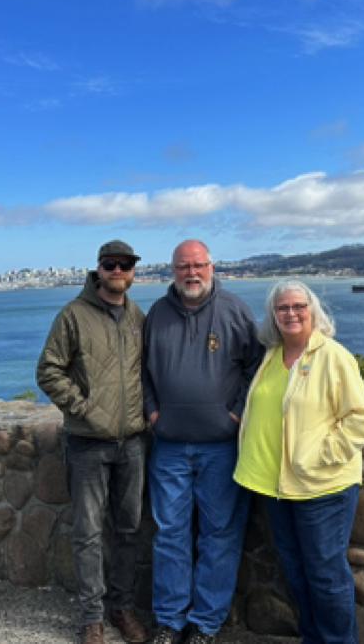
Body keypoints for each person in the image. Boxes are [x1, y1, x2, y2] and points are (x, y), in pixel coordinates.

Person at [233, 279, 364, 644]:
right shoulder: (271, 356)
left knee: (326, 577)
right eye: (283, 308)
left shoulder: (333, 356)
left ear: (313, 311)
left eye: (299, 306)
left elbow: (359, 420)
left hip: (321, 487)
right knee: (297, 573)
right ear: (273, 315)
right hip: (276, 486)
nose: (291, 313)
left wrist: (320, 457)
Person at [142, 239, 263, 644]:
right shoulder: (157, 314)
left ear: (212, 267)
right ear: (171, 271)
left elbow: (256, 368)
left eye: (198, 265)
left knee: (220, 535)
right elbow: (140, 371)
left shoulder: (235, 310)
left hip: (221, 446)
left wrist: (236, 413)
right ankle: (170, 620)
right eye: (182, 267)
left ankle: (206, 623)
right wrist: (152, 410)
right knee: (169, 534)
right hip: (169, 446)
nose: (191, 273)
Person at [36, 240, 150, 644]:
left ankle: (122, 608)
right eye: (110, 264)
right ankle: (92, 617)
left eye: (125, 265)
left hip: (133, 443)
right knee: (87, 532)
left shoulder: (137, 315)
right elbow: (49, 371)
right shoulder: (73, 315)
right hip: (87, 443)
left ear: (133, 270)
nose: (118, 270)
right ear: (98, 269)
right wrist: (82, 408)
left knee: (128, 530)